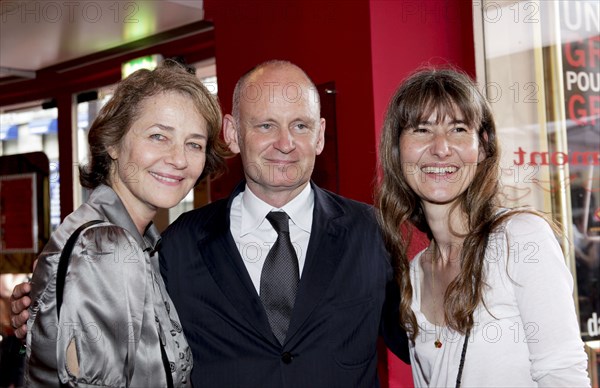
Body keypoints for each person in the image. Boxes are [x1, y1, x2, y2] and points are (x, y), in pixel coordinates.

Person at [12, 60, 409, 387]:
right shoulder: (176, 244)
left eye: (300, 125)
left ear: (320, 135)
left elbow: (422, 339)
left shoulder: (373, 231)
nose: (285, 142)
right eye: (265, 125)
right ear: (234, 134)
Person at [16, 60, 227, 387]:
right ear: (113, 142)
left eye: (194, 144)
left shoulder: (142, 245)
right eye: (159, 136)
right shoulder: (105, 246)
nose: (180, 159)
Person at [376, 67, 591, 387]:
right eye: (421, 129)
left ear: (483, 147)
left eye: (458, 129)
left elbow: (563, 376)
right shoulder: (415, 274)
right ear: (397, 150)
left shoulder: (519, 239)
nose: (441, 147)